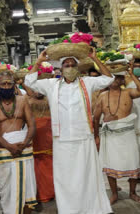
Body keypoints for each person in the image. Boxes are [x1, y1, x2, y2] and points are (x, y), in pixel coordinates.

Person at [24, 48, 114, 214]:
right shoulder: (51, 85)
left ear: (78, 68)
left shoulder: (87, 82)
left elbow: (108, 79)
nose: (70, 68)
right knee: (65, 178)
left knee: (87, 177)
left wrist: (95, 59)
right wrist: (38, 61)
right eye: (66, 65)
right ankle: (69, 209)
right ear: (61, 68)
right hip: (62, 141)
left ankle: (90, 208)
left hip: (84, 139)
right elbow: (29, 81)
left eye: (73, 65)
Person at [94, 63, 140, 204]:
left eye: (117, 78)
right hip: (109, 135)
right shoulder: (102, 96)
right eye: (111, 78)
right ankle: (114, 194)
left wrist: (131, 74)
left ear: (122, 80)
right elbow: (95, 117)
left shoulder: (128, 92)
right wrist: (96, 136)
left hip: (127, 133)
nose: (114, 81)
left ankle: (132, 193)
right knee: (109, 163)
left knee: (133, 160)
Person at [0, 71, 37, 214]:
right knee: (7, 189)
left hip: (24, 149)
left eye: (9, 83)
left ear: (14, 85)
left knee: (27, 189)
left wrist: (25, 143)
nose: (6, 86)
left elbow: (32, 124)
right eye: (3, 83)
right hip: (4, 151)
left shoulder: (22, 101)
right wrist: (9, 146)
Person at [29, 92, 55, 203]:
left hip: (49, 134)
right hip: (33, 135)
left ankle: (52, 192)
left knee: (49, 162)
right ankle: (39, 193)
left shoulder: (51, 99)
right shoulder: (26, 100)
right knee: (35, 164)